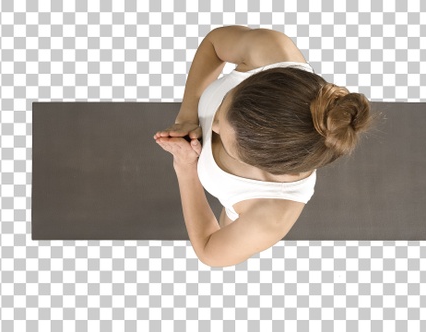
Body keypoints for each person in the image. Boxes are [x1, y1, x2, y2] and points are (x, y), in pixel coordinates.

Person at [154, 25, 373, 267]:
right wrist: (187, 115)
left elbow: (209, 250)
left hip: (243, 202)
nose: (212, 124)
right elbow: (214, 45)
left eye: (225, 137)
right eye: (225, 102)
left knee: (234, 220)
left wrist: (186, 170)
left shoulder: (269, 215)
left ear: (265, 165)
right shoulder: (271, 49)